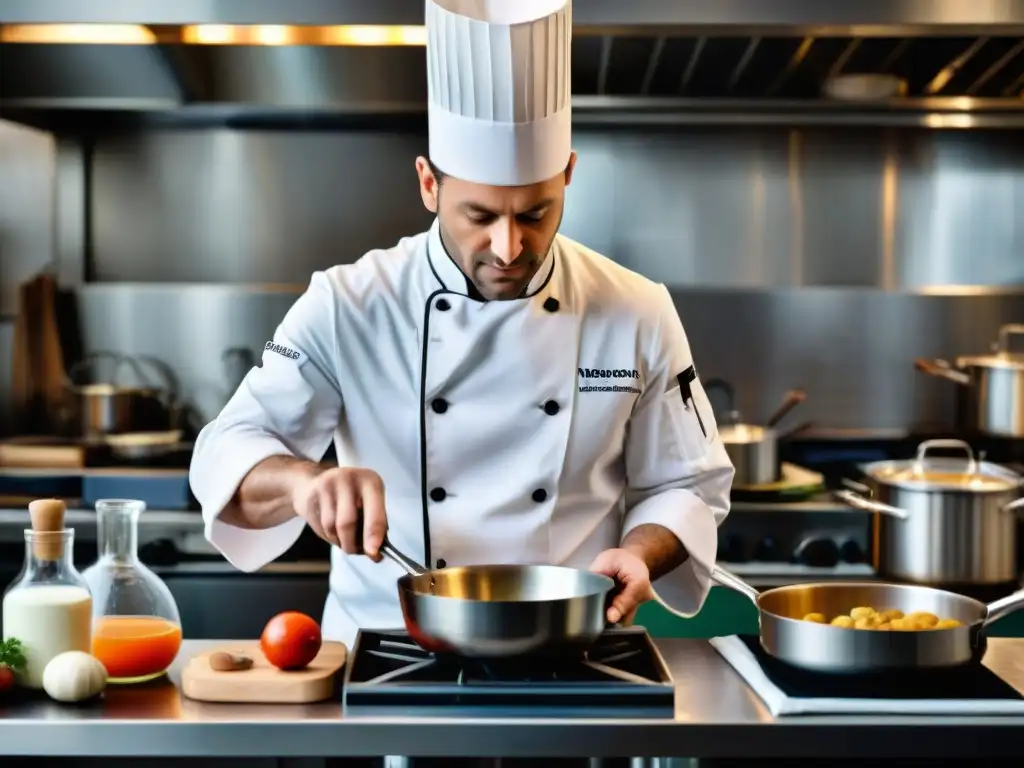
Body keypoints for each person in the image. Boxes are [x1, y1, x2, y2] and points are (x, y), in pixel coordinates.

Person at [188, 0, 734, 647]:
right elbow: (226, 450)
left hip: (570, 643)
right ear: (428, 184)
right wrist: (305, 484)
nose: (508, 247)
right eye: (478, 216)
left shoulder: (637, 309)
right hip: (382, 648)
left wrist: (641, 553)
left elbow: (690, 485)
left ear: (568, 175)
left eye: (534, 214)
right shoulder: (347, 303)